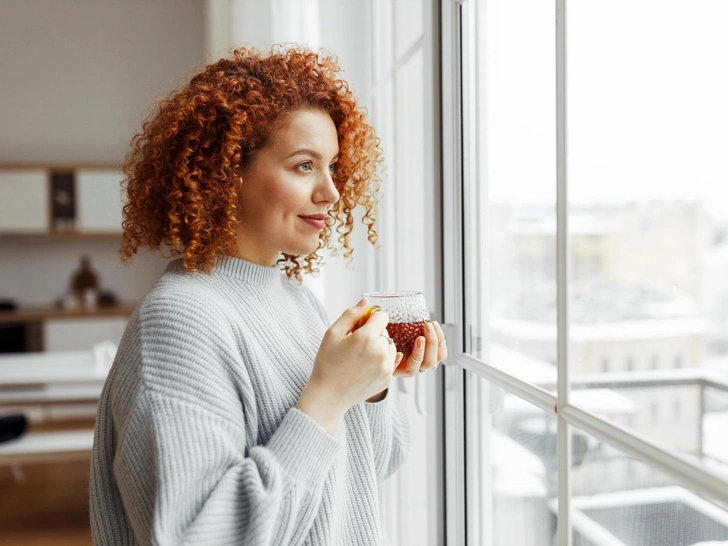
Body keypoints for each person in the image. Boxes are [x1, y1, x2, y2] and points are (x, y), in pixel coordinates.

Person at [89, 46, 448, 546]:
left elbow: (366, 471)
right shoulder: (179, 322)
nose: (332, 192)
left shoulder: (298, 302)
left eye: (333, 167)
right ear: (227, 171)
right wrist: (324, 397)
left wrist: (371, 385)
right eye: (304, 166)